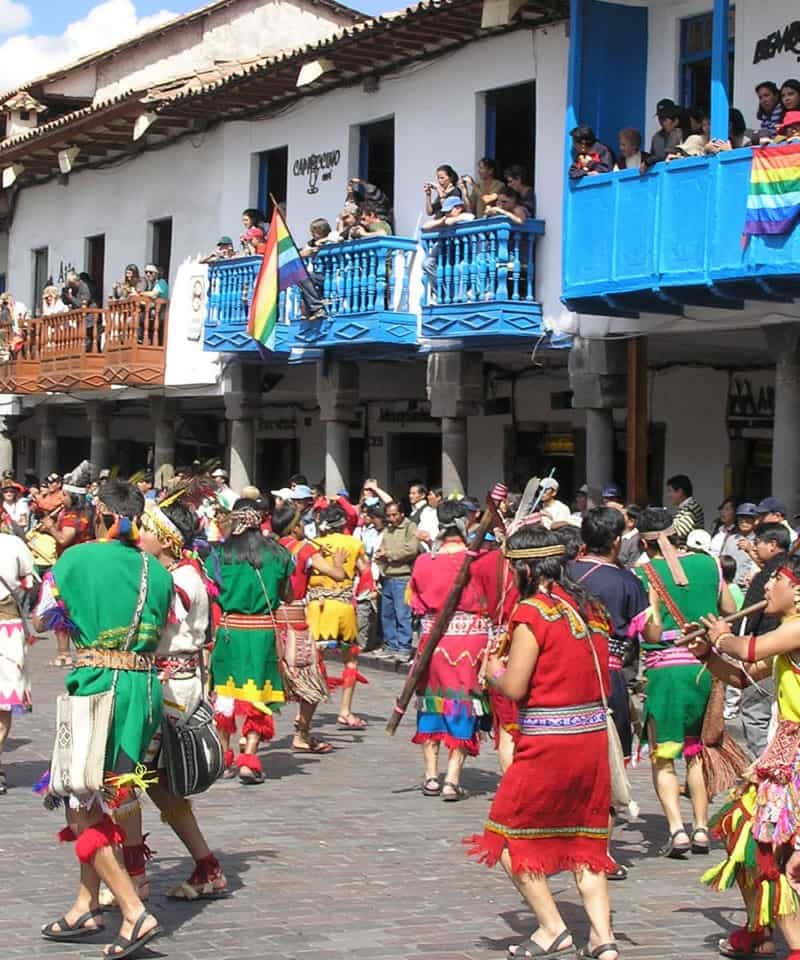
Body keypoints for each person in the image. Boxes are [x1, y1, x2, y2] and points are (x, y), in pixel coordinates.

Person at [467, 524, 617, 960]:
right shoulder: (591, 607)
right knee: (588, 841)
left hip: (549, 742)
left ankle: (553, 927)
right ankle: (603, 939)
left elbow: (514, 687)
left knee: (508, 835)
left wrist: (492, 668)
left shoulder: (533, 611)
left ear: (527, 568)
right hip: (590, 740)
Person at [34, 480, 172, 955]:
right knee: (112, 787)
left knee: (79, 797)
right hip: (146, 687)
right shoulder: (159, 569)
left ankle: (133, 911)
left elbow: (46, 616)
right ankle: (85, 904)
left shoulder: (74, 559)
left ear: (103, 515)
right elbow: (165, 630)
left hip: (98, 686)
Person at [110, 499, 226, 902]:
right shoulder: (183, 572)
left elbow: (146, 625)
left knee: (124, 779)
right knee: (159, 786)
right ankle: (207, 866)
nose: (139, 536)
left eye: (145, 529)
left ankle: (135, 876)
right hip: (173, 685)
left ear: (164, 538)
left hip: (167, 692)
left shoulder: (177, 580)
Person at [685, 554, 800, 960]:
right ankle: (759, 929)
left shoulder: (798, 629)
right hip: (785, 752)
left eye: (775, 581)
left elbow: (748, 650)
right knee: (745, 834)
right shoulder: (789, 633)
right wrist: (705, 654)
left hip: (796, 759)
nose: (766, 588)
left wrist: (720, 633)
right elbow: (739, 674)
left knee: (772, 850)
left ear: (798, 590)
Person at [634, 507, 736, 858]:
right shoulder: (710, 564)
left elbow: (650, 627)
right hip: (705, 669)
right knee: (696, 752)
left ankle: (677, 830)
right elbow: (725, 605)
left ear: (646, 543)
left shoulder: (644, 572)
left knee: (664, 757)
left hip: (665, 671)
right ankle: (702, 829)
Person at [570, 508, 648, 877]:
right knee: (606, 763)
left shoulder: (565, 573)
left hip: (561, 676)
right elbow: (649, 632)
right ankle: (600, 850)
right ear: (617, 540)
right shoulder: (628, 582)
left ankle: (565, 843)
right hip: (608, 678)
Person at [409, 501, 492, 801]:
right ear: (464, 523)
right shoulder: (479, 561)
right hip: (468, 642)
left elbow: (415, 601)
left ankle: (432, 776)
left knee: (432, 703)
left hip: (432, 641)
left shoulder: (424, 562)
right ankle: (452, 779)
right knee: (461, 704)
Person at [206, 499, 293, 784]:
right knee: (259, 696)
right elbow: (287, 594)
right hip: (263, 634)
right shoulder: (278, 554)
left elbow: (212, 593)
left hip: (230, 632)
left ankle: (221, 756)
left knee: (226, 696)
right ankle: (249, 758)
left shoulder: (219, 555)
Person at [272, 503, 351, 753]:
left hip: (270, 618)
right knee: (311, 679)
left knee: (267, 676)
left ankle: (249, 739)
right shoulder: (304, 549)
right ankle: (302, 734)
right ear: (295, 528)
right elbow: (337, 575)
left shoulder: (270, 548)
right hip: (295, 619)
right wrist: (337, 562)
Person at [736, 523, 791, 758]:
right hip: (772, 654)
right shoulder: (785, 567)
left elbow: (748, 619)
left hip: (767, 649)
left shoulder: (774, 571)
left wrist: (726, 639)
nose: (769, 586)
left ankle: (764, 763)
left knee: (755, 711)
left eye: (758, 542)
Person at [0, 531, 35, 795]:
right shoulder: (14, 544)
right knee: (3, 702)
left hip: (8, 630)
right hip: (8, 629)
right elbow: (28, 583)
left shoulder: (13, 543)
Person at [375, 501, 419, 660]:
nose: (391, 518)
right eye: (388, 516)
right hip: (388, 575)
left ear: (402, 514)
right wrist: (380, 554)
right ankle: (390, 645)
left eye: (394, 515)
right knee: (387, 614)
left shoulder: (410, 527)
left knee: (402, 614)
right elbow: (383, 547)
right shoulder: (388, 530)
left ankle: (404, 647)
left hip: (403, 576)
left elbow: (411, 549)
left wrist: (389, 554)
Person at [408, 481, 438, 547]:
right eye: (410, 493)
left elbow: (429, 534)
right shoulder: (414, 512)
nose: (410, 496)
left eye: (413, 493)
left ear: (422, 495)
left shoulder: (427, 511)